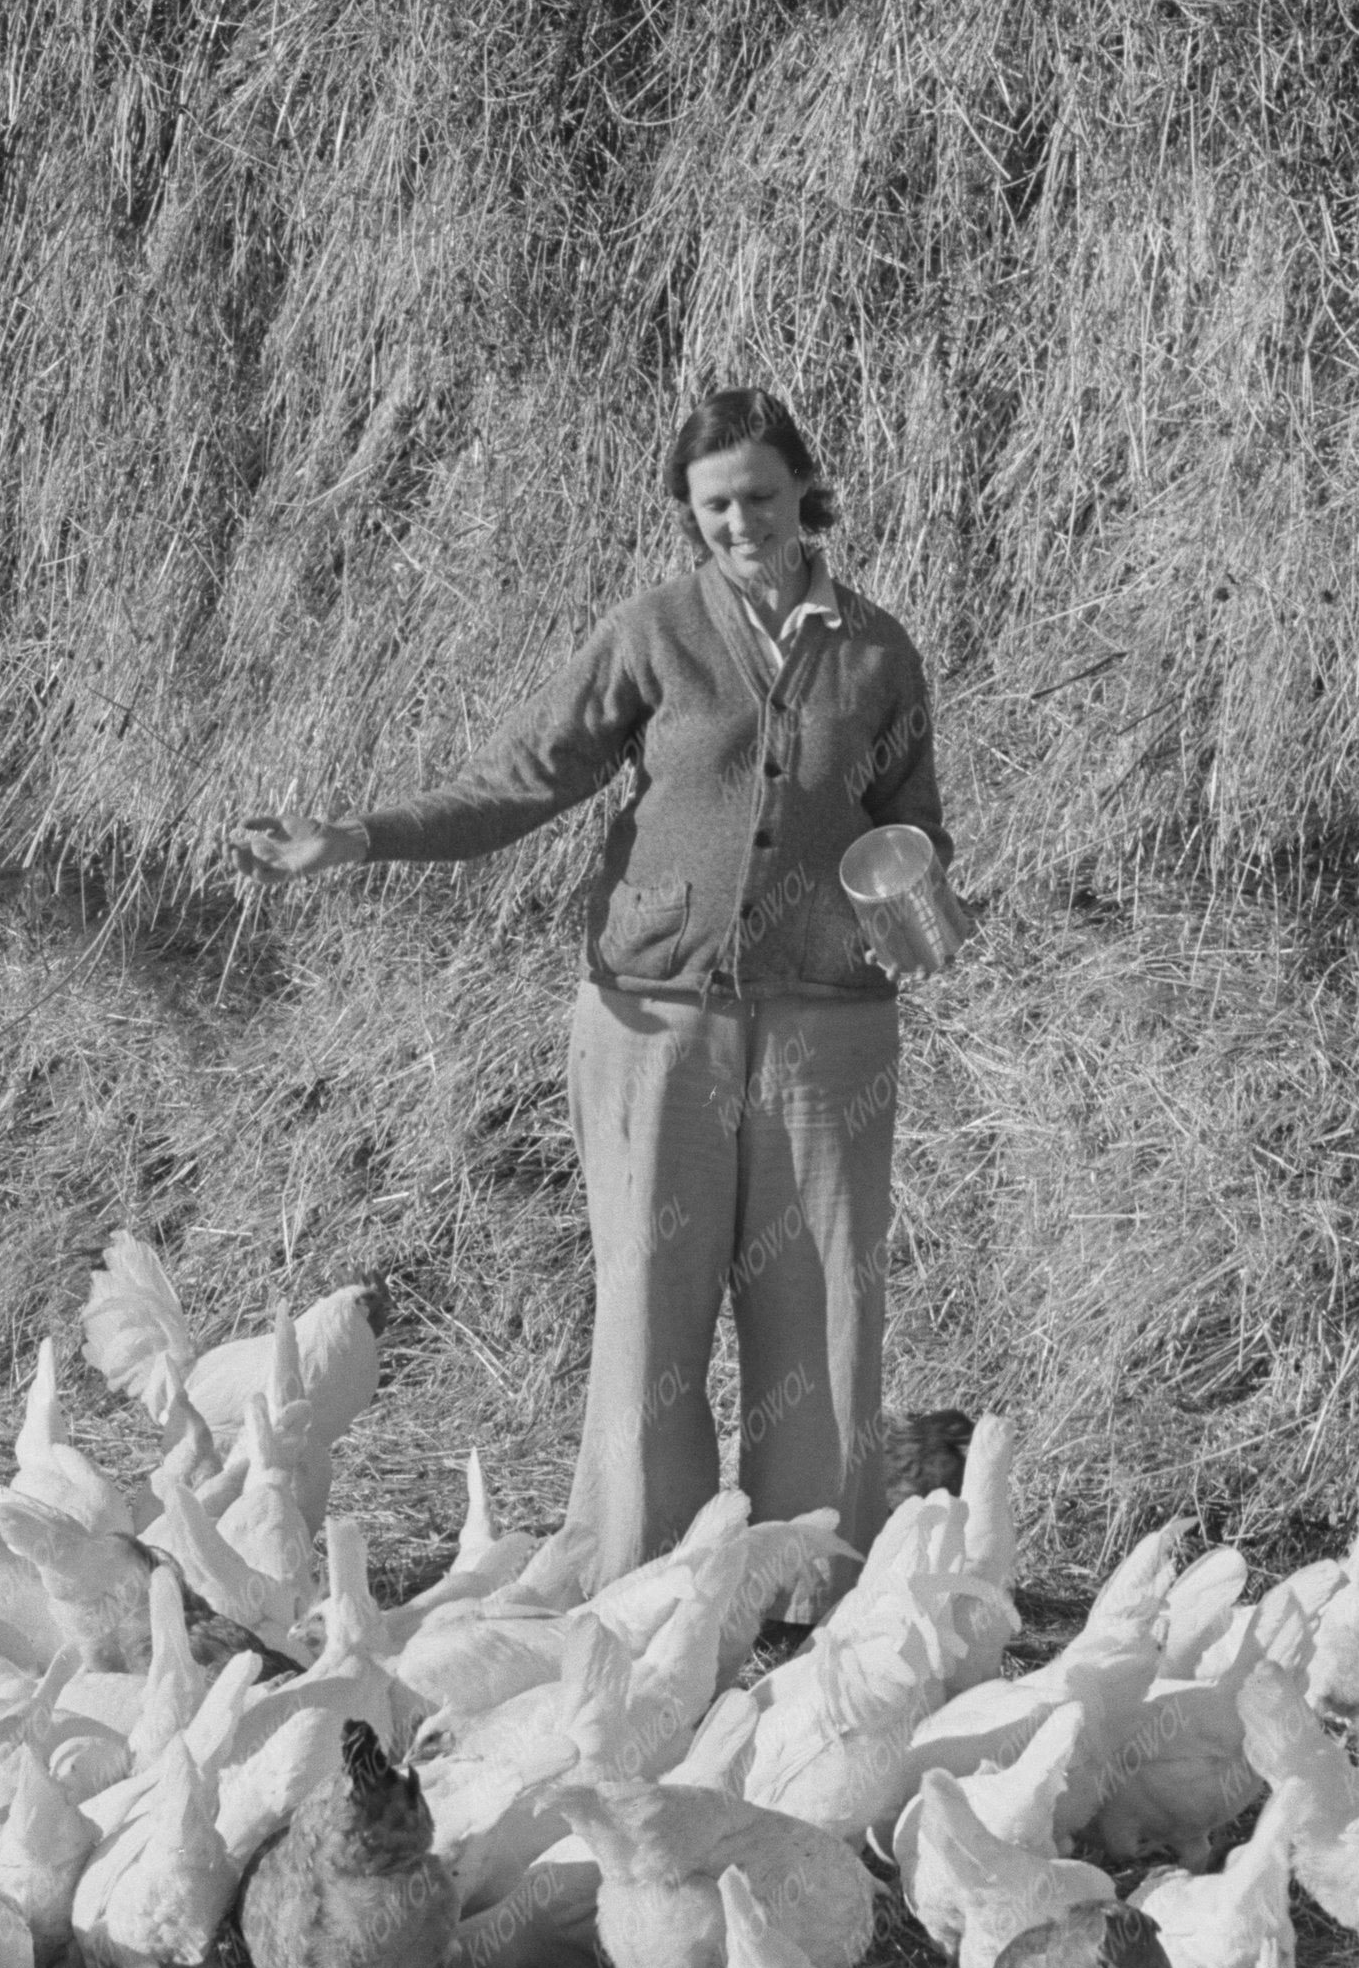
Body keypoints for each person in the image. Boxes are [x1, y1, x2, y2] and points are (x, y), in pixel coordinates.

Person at [235, 388, 956, 1589]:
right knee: (649, 1309)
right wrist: (357, 836)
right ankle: (646, 1584)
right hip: (656, 1023)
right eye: (715, 503)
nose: (741, 523)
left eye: (761, 498)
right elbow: (523, 778)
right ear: (689, 509)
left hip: (829, 1026)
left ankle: (805, 1589)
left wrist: (919, 910)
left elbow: (911, 821)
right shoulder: (658, 633)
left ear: (804, 494)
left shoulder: (879, 653)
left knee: (826, 1313)